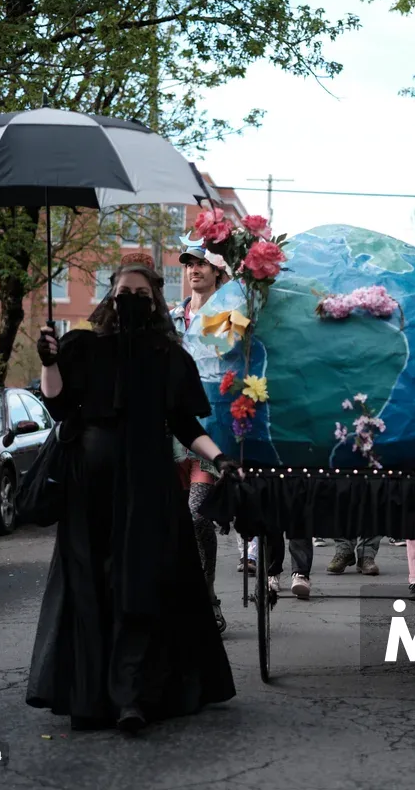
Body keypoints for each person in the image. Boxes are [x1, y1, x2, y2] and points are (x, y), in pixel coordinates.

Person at [26, 262, 239, 734]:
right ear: (110, 295)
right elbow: (58, 403)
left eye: (141, 292)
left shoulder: (170, 356)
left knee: (141, 581)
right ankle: (90, 694)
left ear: (156, 300)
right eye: (123, 290)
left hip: (148, 484)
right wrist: (48, 362)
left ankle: (133, 697)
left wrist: (220, 457)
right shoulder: (82, 345)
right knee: (90, 585)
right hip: (90, 487)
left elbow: (186, 425)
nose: (131, 298)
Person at [171, 244, 234, 631]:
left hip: (211, 430)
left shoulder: (229, 314)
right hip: (171, 431)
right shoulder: (171, 318)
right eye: (190, 264)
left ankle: (207, 598)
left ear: (217, 272)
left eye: (202, 264)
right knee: (170, 522)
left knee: (197, 518)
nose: (195, 269)